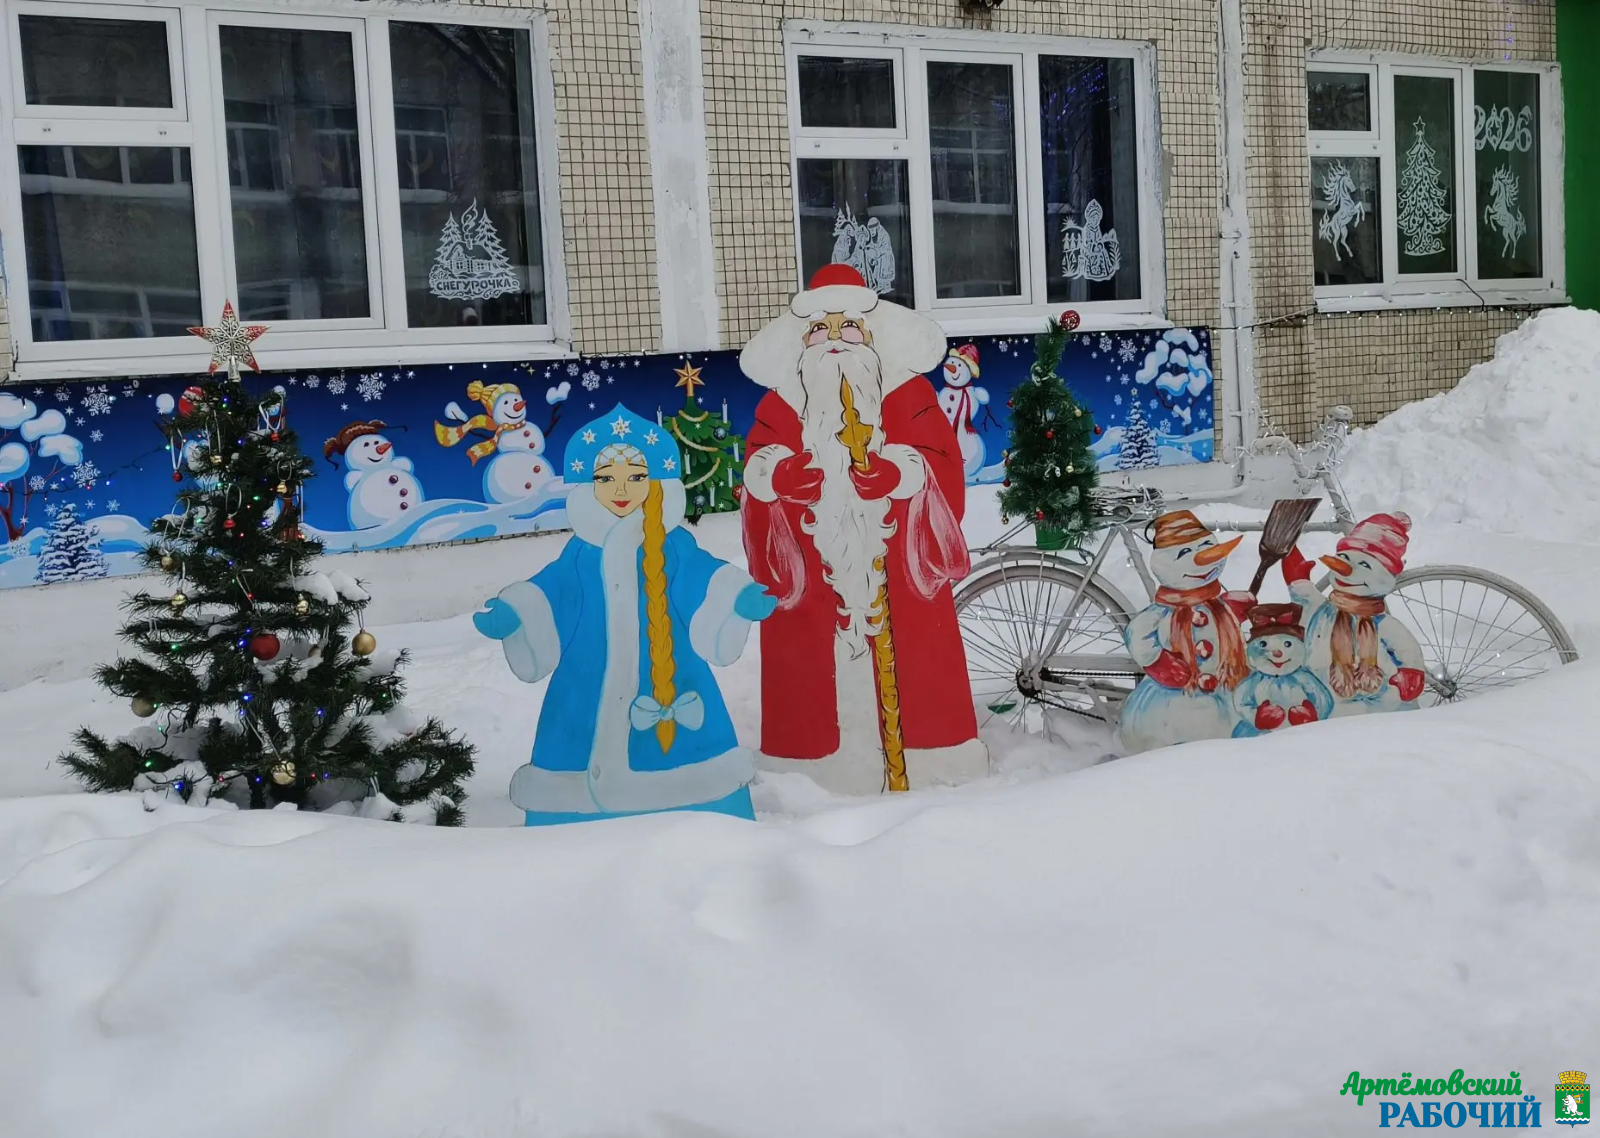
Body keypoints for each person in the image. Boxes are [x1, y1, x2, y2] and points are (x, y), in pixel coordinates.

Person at [737, 263, 985, 794]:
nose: (833, 339)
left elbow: (942, 465)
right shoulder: (782, 402)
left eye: (847, 327)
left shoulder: (908, 394)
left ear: (870, 335)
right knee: (811, 672)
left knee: (917, 669)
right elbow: (757, 466)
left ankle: (927, 757)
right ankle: (814, 768)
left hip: (895, 568)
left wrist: (900, 473)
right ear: (802, 339)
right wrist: (777, 476)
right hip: (813, 572)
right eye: (819, 330)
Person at [474, 404, 777, 825]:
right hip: (588, 676)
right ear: (589, 485)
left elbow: (703, 576)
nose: (621, 489)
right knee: (579, 729)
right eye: (606, 478)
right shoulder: (580, 554)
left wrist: (737, 596)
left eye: (636, 477)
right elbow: (552, 591)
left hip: (671, 677)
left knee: (683, 756)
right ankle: (568, 823)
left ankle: (704, 814)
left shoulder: (673, 546)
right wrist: (516, 611)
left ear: (656, 484)